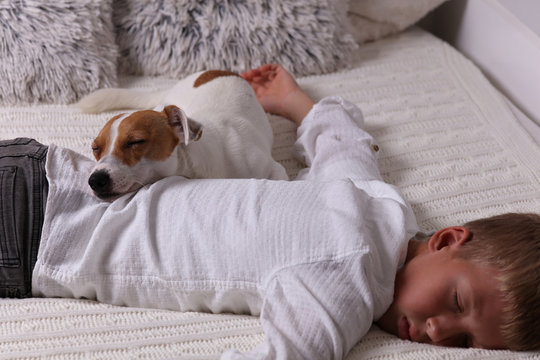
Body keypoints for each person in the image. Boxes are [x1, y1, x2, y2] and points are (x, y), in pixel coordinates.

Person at [0, 64, 538, 359]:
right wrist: (292, 101)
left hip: (43, 179)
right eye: (458, 301)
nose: (440, 333)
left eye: (466, 343)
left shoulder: (377, 205)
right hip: (44, 234)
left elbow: (343, 147)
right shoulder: (348, 282)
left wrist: (299, 105)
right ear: (447, 240)